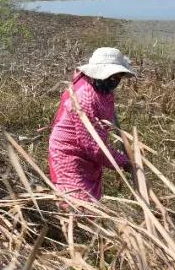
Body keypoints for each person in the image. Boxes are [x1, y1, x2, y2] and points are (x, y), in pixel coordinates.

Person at [47, 47, 135, 202]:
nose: (114, 81)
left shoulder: (103, 90)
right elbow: (93, 146)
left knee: (91, 200)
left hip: (88, 156)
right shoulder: (85, 97)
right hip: (69, 153)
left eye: (117, 77)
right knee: (78, 203)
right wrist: (123, 162)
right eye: (110, 77)